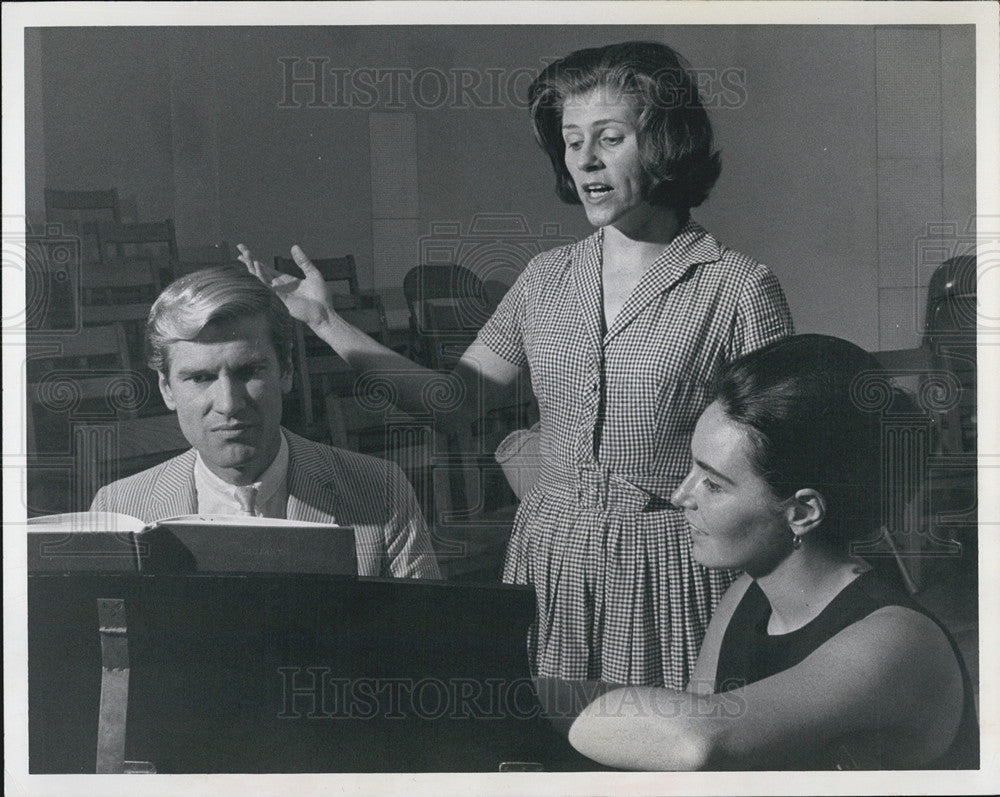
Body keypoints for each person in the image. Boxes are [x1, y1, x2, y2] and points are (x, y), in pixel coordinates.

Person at [238, 41, 793, 688]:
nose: (584, 159)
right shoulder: (544, 279)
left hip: (675, 570)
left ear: (666, 143)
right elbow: (451, 405)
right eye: (571, 140)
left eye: (610, 138)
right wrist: (323, 321)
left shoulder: (738, 287)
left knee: (664, 760)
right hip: (548, 562)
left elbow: (780, 460)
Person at [564, 335, 979, 770]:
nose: (679, 495)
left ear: (801, 512)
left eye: (714, 483)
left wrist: (534, 697)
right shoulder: (746, 594)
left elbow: (695, 742)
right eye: (692, 470)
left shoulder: (897, 642)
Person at [90, 265, 441, 580]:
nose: (229, 404)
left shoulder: (381, 491)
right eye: (199, 378)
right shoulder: (119, 509)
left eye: (249, 372)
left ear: (286, 371)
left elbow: (424, 645)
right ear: (167, 389)